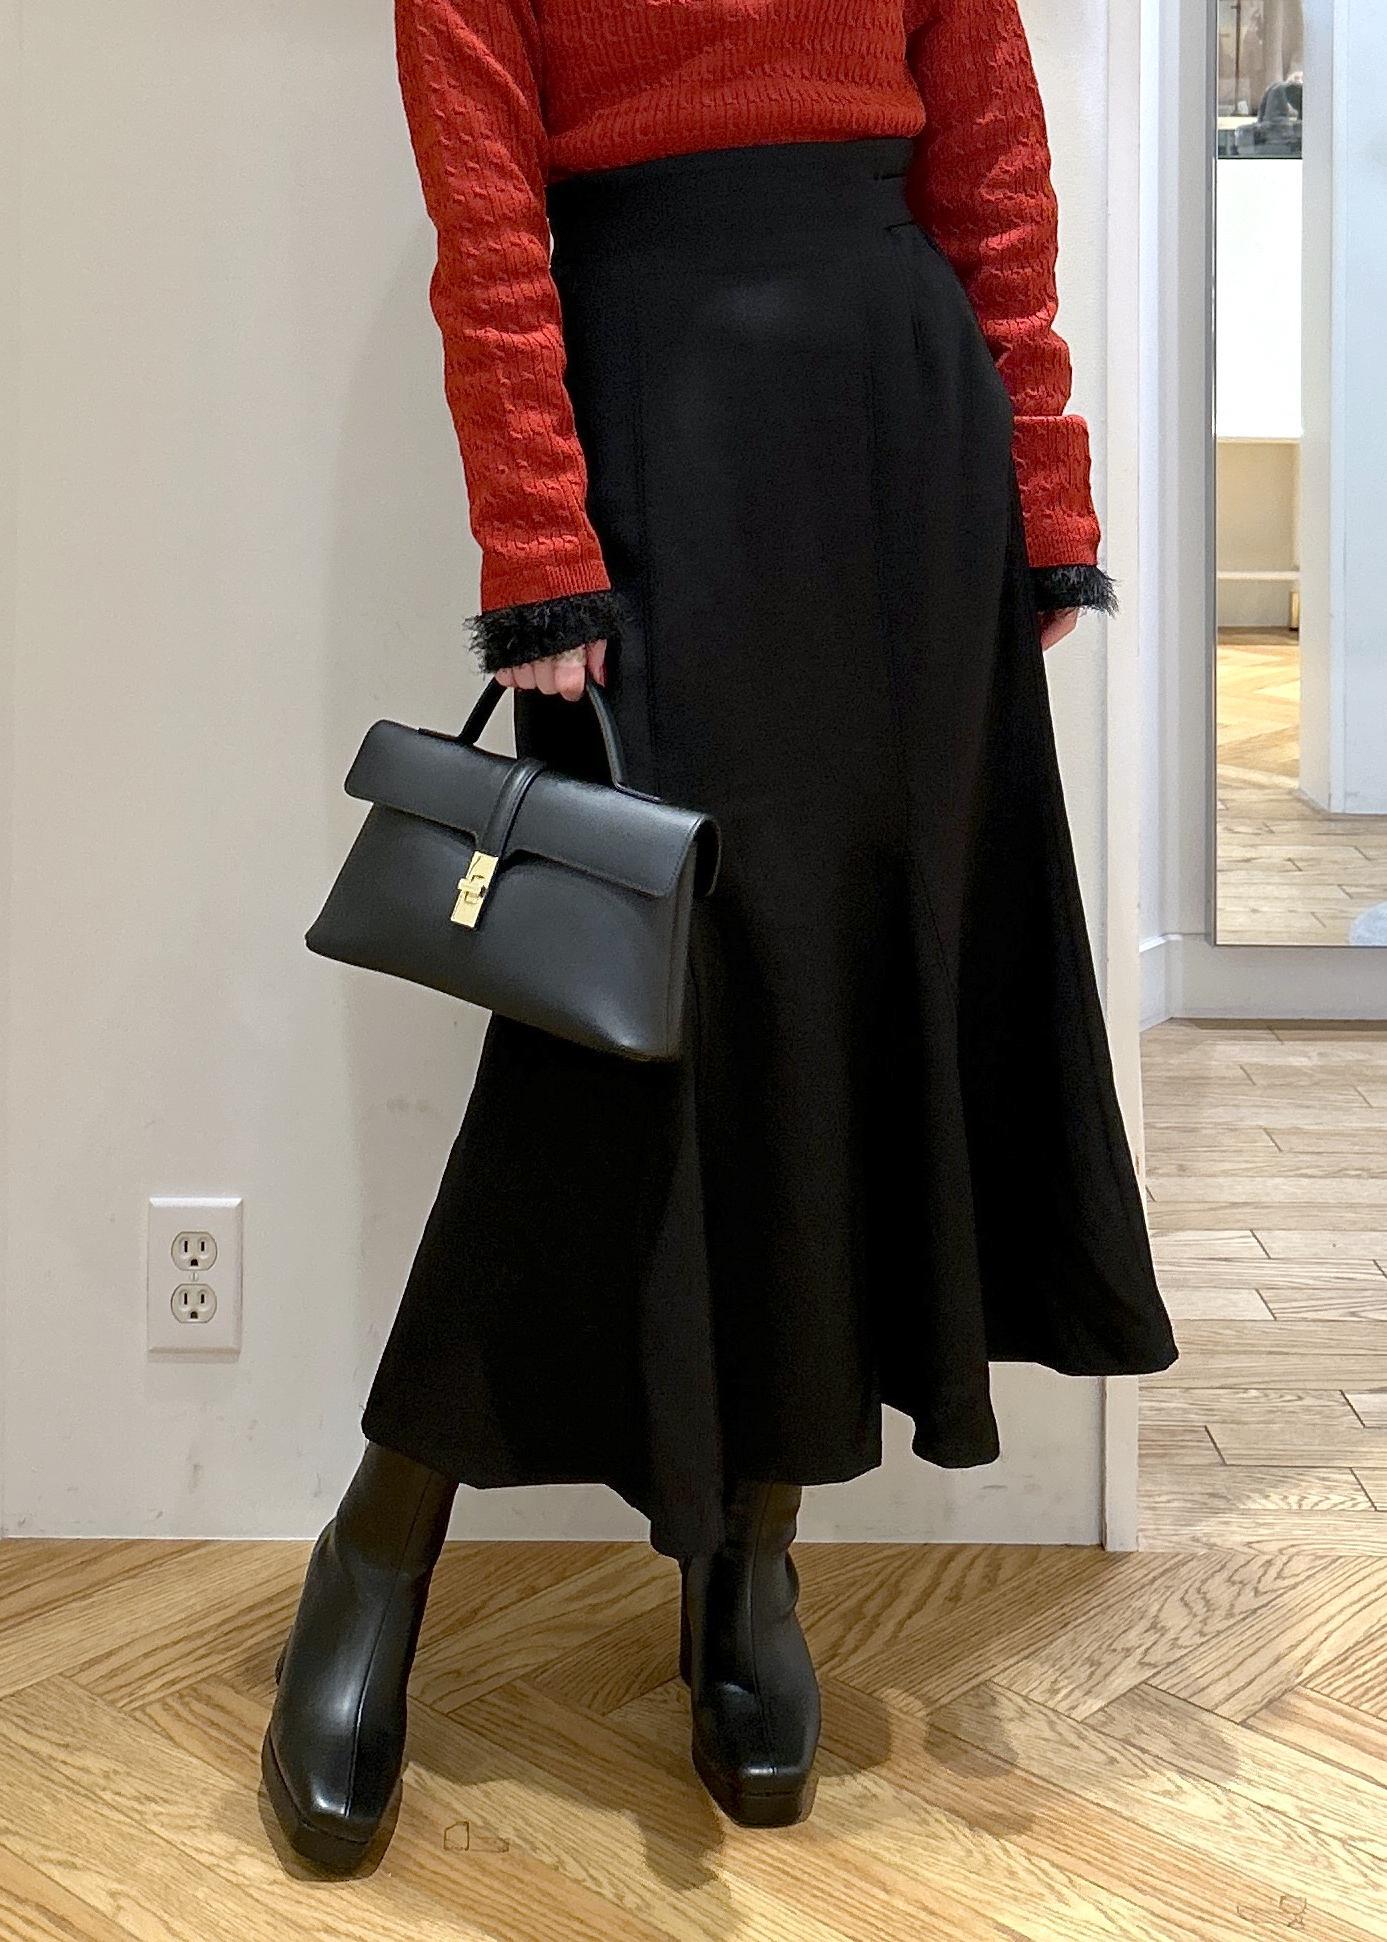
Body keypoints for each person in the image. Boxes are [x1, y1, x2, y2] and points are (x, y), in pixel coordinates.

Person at [263, 0, 1179, 1869]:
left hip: (898, 431)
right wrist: (538, 542)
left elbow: (991, 162)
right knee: (621, 1032)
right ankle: (381, 1539)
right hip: (653, 420)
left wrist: (1042, 485)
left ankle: (751, 1558)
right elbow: (485, 208)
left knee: (842, 987)